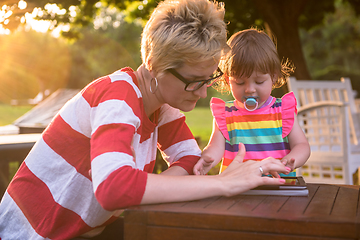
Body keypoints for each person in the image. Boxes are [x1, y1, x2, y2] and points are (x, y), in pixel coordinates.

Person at [0, 2, 290, 240]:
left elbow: (189, 159)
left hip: (85, 231)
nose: (203, 93)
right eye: (194, 82)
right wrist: (223, 184)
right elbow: (113, 189)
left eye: (210, 79)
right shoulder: (118, 95)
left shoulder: (162, 103)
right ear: (154, 66)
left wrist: (142, 190)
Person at [193, 28, 310, 177]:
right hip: (237, 189)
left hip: (279, 188)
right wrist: (208, 158)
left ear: (273, 77)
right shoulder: (225, 115)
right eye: (240, 82)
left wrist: (292, 159)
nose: (249, 89)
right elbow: (215, 147)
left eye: (259, 81)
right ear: (228, 80)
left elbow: (302, 145)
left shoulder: (282, 111)